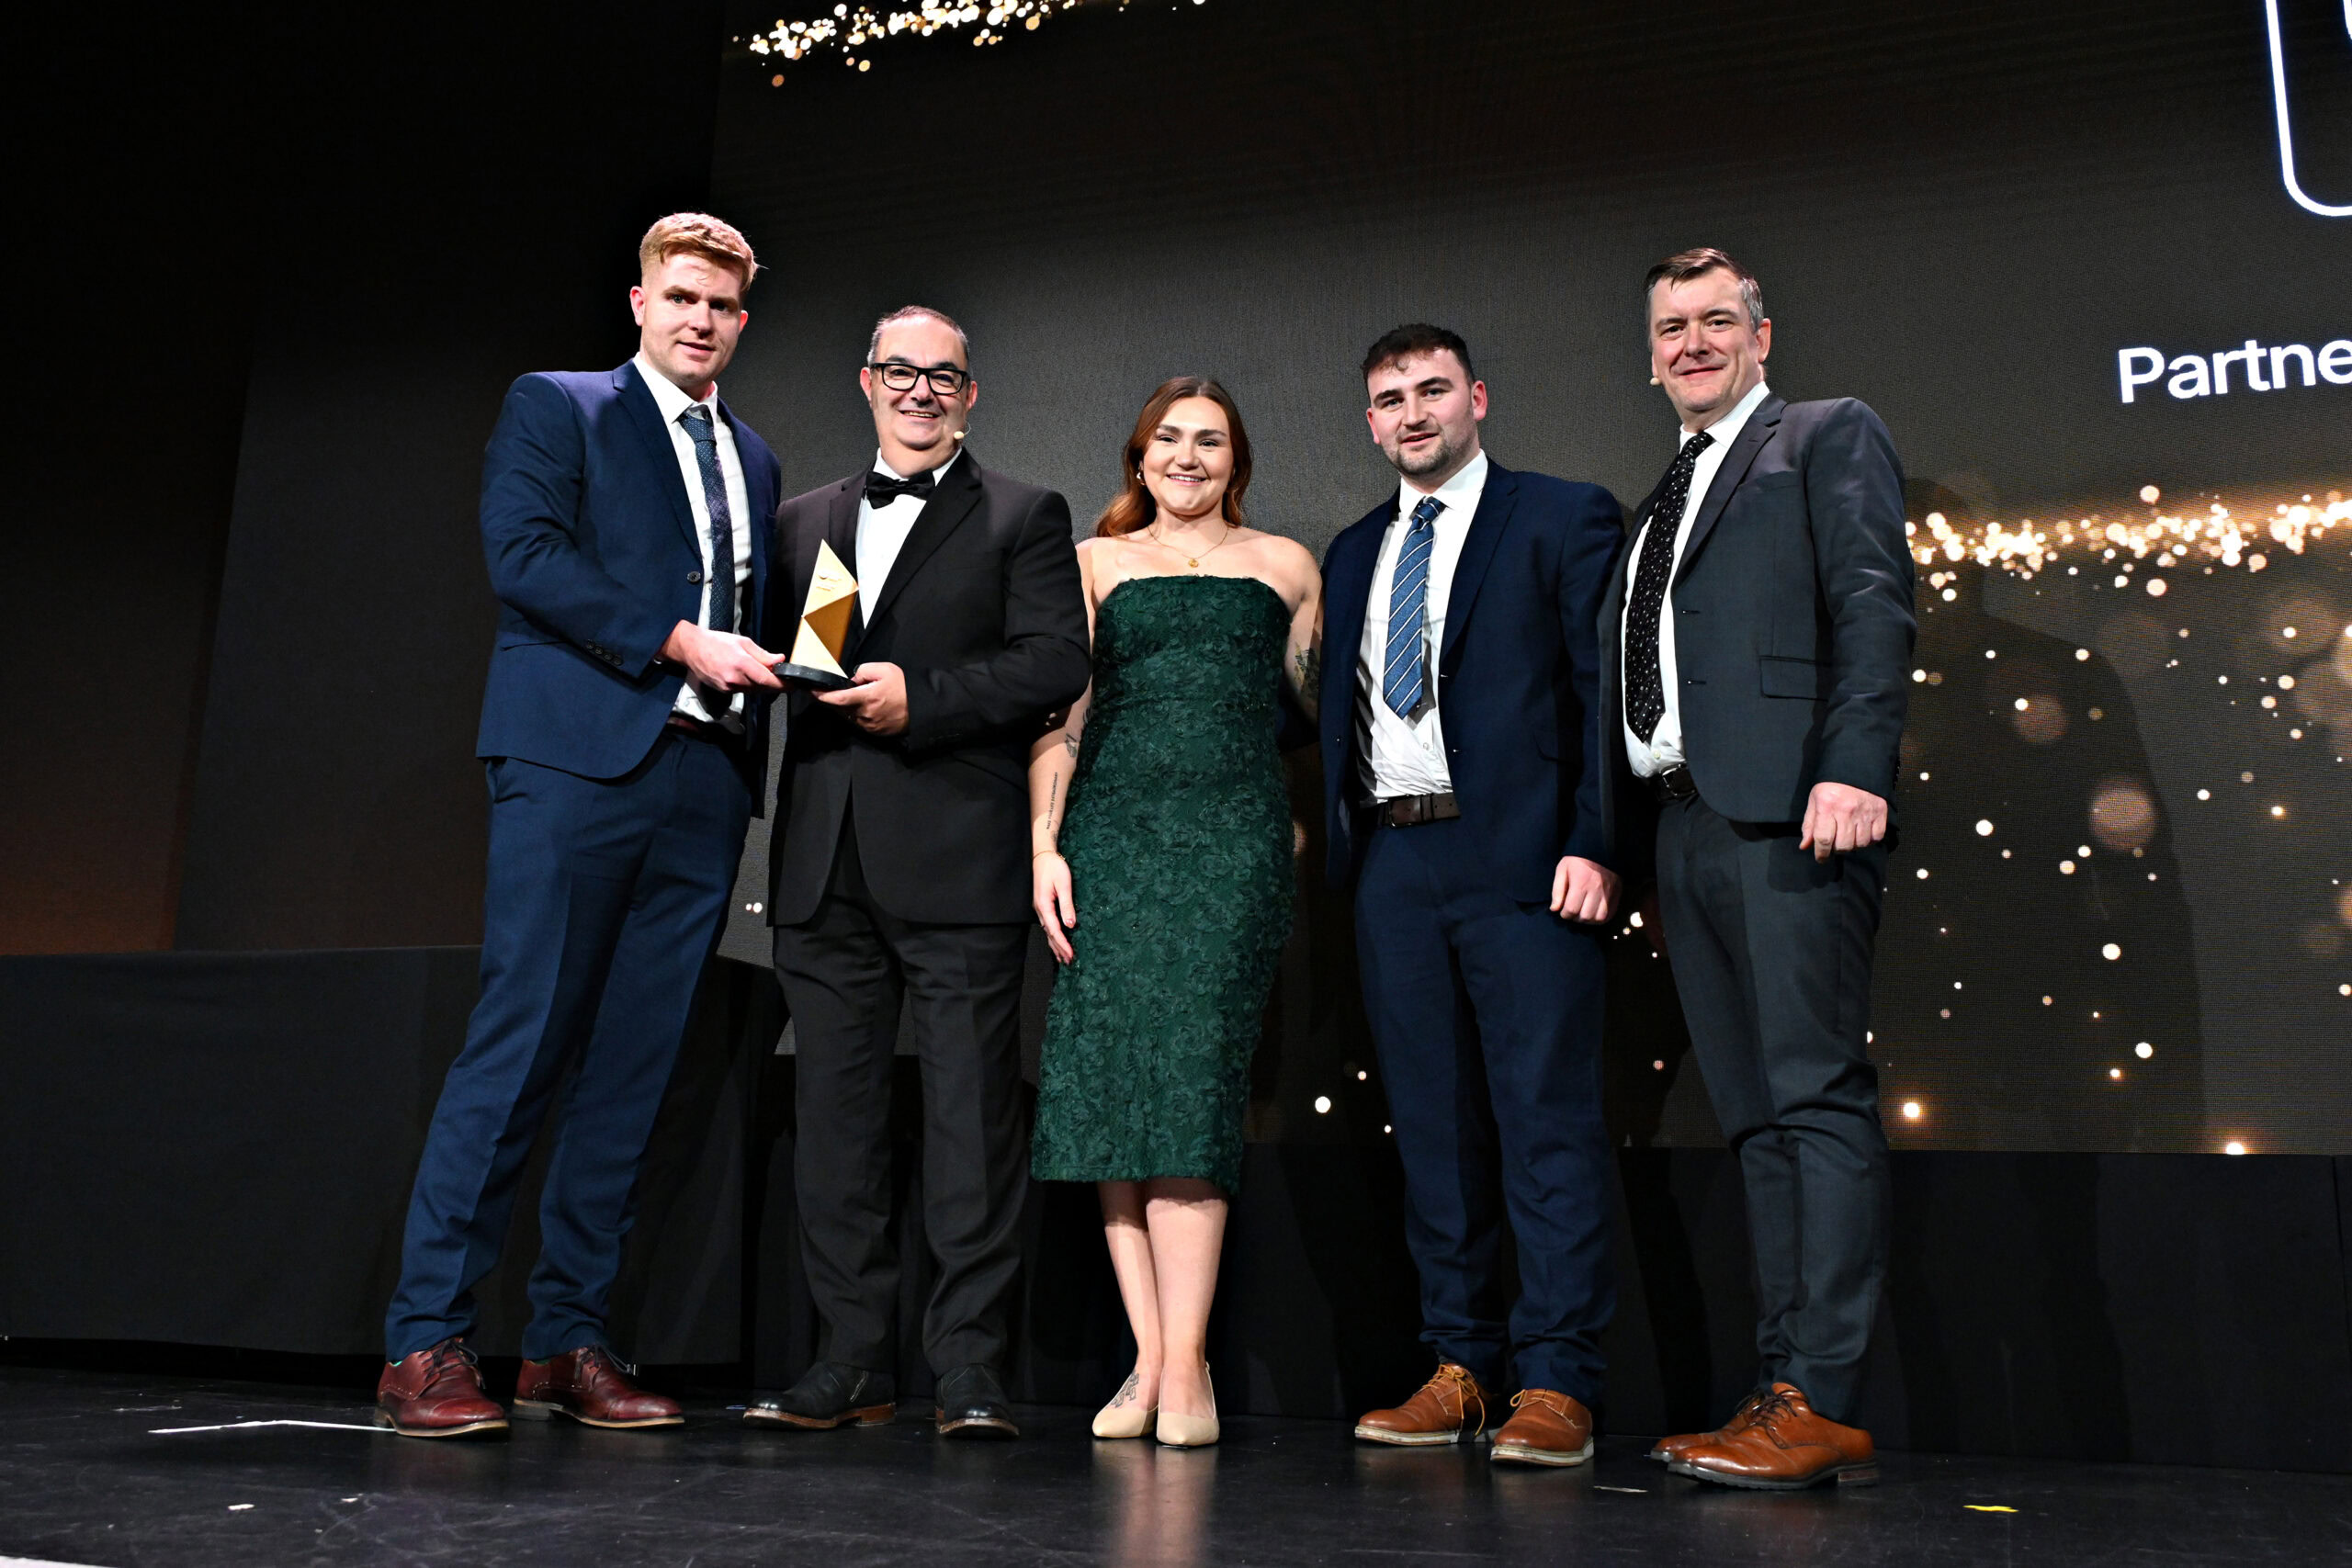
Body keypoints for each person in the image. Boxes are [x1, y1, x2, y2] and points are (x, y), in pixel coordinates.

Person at [378, 213, 783, 1437]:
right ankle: (425, 1340)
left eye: (720, 304)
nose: (700, 318)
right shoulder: (560, 404)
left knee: (632, 1070)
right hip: (574, 763)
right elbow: (524, 556)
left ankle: (566, 1338)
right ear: (640, 302)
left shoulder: (754, 455)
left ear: (742, 321)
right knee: (520, 1045)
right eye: (681, 296)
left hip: (704, 781)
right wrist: (677, 639)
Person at [1600, 248, 1913, 1489]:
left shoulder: (1823, 434)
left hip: (1794, 813)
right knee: (1755, 1119)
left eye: (1715, 320)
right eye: (1670, 326)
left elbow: (1874, 601)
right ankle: (1782, 1393)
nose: (1692, 342)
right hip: (1684, 828)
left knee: (1814, 1098)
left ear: (1761, 336)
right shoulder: (1660, 497)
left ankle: (1819, 1394)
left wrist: (1854, 765)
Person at [750, 306, 1091, 1440]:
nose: (920, 390)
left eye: (943, 375)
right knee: (835, 1126)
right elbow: (795, 663)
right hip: (822, 861)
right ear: (867, 381)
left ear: (969, 395)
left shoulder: (1021, 514)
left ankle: (970, 1369)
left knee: (970, 1125)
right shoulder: (806, 518)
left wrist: (924, 701)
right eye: (900, 370)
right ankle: (850, 1359)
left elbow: (1055, 661)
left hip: (956, 860)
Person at [1318, 324, 1624, 1467]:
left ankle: (1557, 1381)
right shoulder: (1354, 549)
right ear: (1370, 422)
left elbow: (1599, 693)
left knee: (1544, 1122)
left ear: (1478, 398)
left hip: (1524, 860)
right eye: (1390, 397)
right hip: (1393, 865)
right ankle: (1459, 1368)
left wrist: (1596, 842)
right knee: (1433, 1129)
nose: (1413, 412)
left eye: (1433, 389)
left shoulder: (1561, 515)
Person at [1028, 378, 1322, 1450]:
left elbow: (1325, 717)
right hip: (1110, 844)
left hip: (1231, 847)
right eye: (1169, 438)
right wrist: (1044, 847)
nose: (1187, 456)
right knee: (1115, 1093)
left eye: (1209, 440)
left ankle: (1185, 1364)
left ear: (1236, 460)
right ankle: (1151, 1359)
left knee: (1192, 1091)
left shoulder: (1287, 566)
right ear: (1138, 456)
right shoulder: (1093, 565)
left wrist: (1298, 831)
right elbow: (1061, 723)